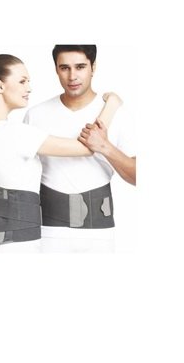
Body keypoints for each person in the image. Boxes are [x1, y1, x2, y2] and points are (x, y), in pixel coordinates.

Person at [0, 54, 122, 254]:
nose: (29, 88)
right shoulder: (19, 134)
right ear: (0, 86)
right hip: (18, 248)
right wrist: (112, 104)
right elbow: (88, 147)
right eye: (22, 81)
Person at [24, 45, 136, 253]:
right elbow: (22, 178)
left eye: (80, 67)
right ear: (56, 69)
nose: (72, 76)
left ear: (93, 67)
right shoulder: (36, 115)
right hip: (48, 230)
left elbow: (137, 177)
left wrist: (105, 147)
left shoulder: (116, 114)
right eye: (64, 68)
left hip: (99, 233)